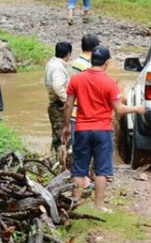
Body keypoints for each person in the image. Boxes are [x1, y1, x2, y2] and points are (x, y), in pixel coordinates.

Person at [61, 46, 144, 212]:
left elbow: (68, 104)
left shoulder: (77, 79)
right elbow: (119, 110)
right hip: (103, 130)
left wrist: (66, 127)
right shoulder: (110, 82)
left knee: (79, 168)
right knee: (102, 170)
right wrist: (137, 108)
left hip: (82, 129)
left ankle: (75, 202)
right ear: (106, 63)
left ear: (92, 60)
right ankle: (98, 206)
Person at [45, 42, 72, 153]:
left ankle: (55, 160)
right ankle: (61, 164)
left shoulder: (52, 63)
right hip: (58, 106)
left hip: (54, 104)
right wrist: (66, 100)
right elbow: (57, 86)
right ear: (68, 54)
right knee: (62, 138)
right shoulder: (58, 68)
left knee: (57, 137)